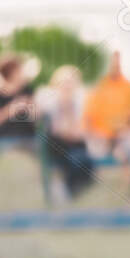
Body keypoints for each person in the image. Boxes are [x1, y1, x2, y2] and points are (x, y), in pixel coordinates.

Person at [84, 52, 130, 205]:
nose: (115, 67)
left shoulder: (129, 87)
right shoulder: (99, 88)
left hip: (125, 137)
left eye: (117, 63)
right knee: (125, 152)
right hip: (104, 139)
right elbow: (89, 121)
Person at [37, 65, 95, 200]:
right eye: (64, 82)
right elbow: (52, 129)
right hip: (56, 145)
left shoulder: (82, 101)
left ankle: (68, 189)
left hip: (76, 145)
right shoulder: (47, 99)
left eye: (71, 82)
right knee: (74, 157)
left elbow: (82, 130)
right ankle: (67, 188)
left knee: (82, 160)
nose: (67, 86)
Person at [0, 52, 38, 143]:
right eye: (20, 70)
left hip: (29, 139)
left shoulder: (27, 92)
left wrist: (32, 109)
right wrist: (10, 110)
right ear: (12, 73)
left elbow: (37, 119)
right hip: (1, 141)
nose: (23, 73)